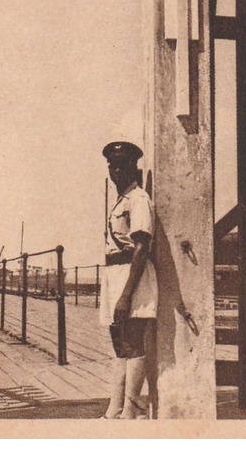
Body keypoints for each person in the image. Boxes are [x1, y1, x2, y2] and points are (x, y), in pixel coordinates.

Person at [100, 141, 157, 420]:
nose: (116, 171)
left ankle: (132, 411)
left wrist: (125, 295)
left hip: (131, 278)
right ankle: (115, 409)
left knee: (133, 344)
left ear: (134, 168)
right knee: (119, 344)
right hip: (115, 276)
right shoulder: (121, 202)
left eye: (122, 165)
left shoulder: (138, 199)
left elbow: (142, 248)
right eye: (113, 166)